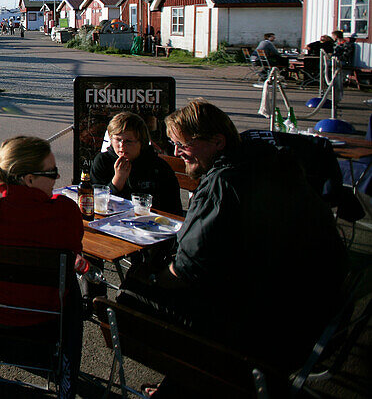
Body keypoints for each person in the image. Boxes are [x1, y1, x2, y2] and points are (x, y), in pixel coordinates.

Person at [119, 99, 346, 394]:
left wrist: (149, 276)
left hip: (265, 333)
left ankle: (194, 385)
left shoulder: (223, 184)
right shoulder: (277, 166)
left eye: (182, 144)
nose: (176, 152)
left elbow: (186, 270)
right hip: (318, 323)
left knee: (130, 299)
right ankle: (181, 386)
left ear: (217, 142)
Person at [0, 136, 83, 397]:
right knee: (73, 285)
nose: (57, 178)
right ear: (29, 179)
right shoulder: (66, 213)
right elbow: (74, 244)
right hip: (45, 320)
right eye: (52, 173)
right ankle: (69, 372)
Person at [91, 112, 183, 216]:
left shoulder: (157, 167)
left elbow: (173, 209)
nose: (122, 146)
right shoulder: (103, 161)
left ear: (141, 142)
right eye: (118, 139)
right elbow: (96, 202)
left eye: (128, 141)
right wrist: (117, 181)